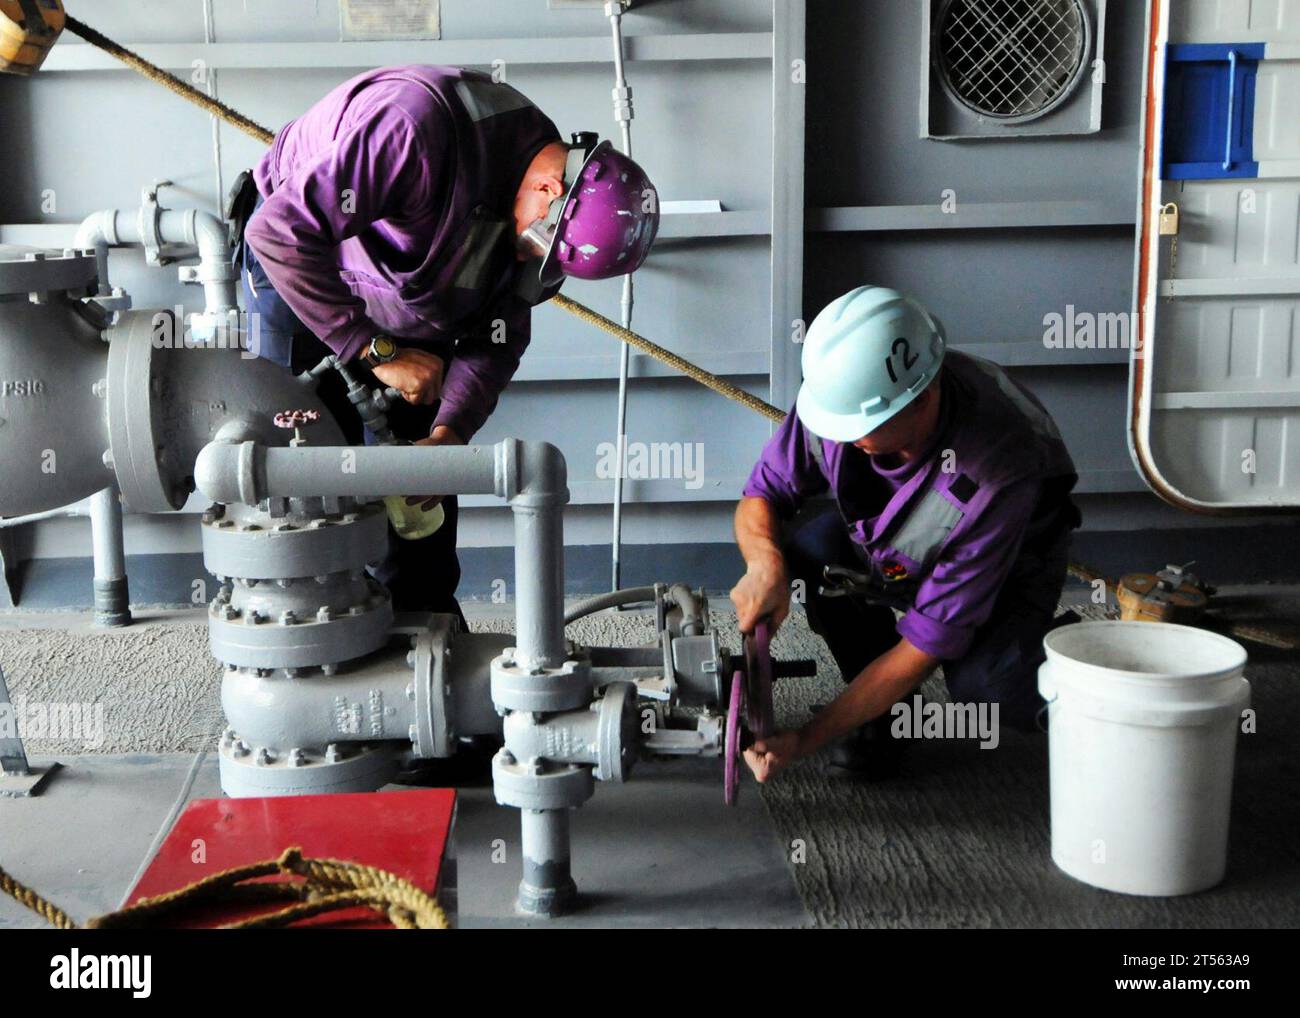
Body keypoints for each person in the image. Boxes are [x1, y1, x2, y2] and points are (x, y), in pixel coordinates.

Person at [230, 64, 659, 617]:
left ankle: (423, 626)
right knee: (299, 463)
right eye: (537, 245)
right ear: (551, 187)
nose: (532, 257)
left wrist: (449, 435)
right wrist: (373, 350)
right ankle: (306, 626)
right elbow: (279, 235)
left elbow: (498, 334)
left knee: (418, 476)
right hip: (298, 270)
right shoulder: (415, 128)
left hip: (405, 291)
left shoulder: (534, 206)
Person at [730, 285, 1081, 783]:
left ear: (924, 397)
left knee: (988, 686)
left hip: (1006, 568)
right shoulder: (843, 394)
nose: (843, 437)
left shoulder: (997, 467)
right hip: (897, 547)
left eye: (862, 426)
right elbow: (762, 493)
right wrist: (765, 562)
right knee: (812, 552)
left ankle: (1098, 669)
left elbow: (926, 644)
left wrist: (810, 737)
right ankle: (887, 718)